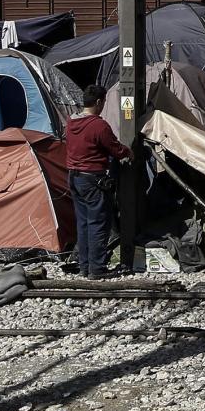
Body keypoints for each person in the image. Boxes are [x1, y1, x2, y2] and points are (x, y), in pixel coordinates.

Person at [65, 85, 129, 278]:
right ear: (99, 102)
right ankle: (97, 269)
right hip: (93, 179)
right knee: (98, 224)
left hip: (74, 177)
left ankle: (85, 267)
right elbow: (115, 149)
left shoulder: (71, 122)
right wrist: (129, 152)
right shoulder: (98, 125)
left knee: (83, 223)